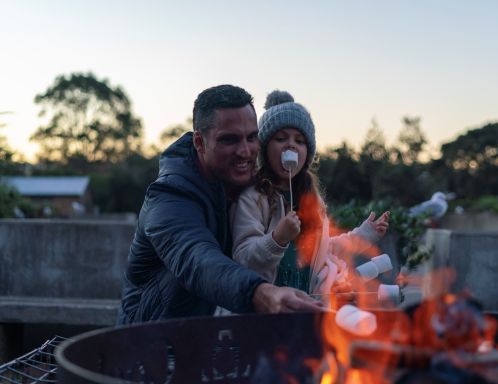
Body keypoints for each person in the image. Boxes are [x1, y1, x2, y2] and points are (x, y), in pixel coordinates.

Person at [117, 85, 323, 324]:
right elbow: (199, 262)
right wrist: (261, 293)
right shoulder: (168, 198)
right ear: (200, 142)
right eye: (229, 140)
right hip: (153, 342)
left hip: (213, 338)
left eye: (252, 137)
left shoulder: (251, 187)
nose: (245, 151)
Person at [230, 90, 389, 303]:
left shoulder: (312, 201)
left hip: (306, 305)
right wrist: (277, 239)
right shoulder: (254, 198)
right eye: (280, 138)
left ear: (307, 154)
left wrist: (363, 236)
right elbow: (243, 259)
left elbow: (323, 251)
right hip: (266, 309)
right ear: (265, 149)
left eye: (300, 141)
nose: (291, 145)